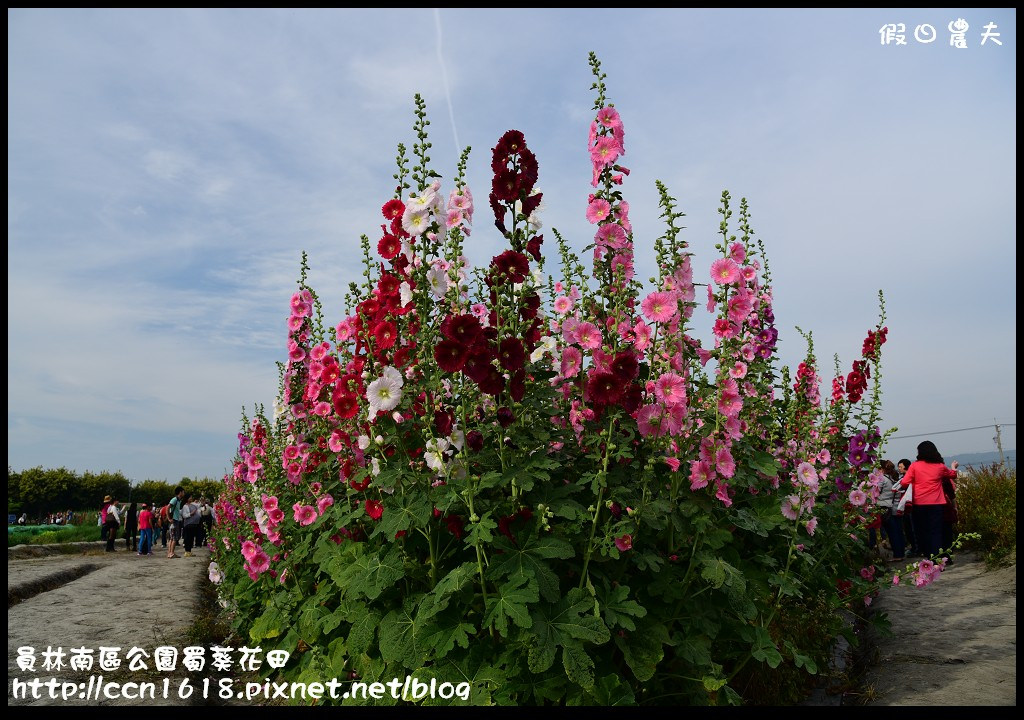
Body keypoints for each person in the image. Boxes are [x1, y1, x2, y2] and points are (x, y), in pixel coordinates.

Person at [900, 441, 958, 561]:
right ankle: (936, 560)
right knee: (936, 532)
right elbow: (952, 475)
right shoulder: (940, 466)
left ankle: (928, 559)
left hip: (919, 504)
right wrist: (953, 467)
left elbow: (904, 482)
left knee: (922, 532)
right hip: (936, 504)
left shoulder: (914, 466)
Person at [877, 460, 907, 562]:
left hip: (885, 507)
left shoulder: (883, 479)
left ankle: (897, 555)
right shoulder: (895, 478)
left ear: (882, 469)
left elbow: (876, 492)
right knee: (899, 531)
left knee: (892, 533)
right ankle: (901, 553)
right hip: (896, 507)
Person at [896, 458, 917, 556]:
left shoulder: (908, 478)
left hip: (910, 506)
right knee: (909, 528)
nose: (899, 469)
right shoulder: (904, 477)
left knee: (911, 528)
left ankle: (915, 548)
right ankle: (914, 547)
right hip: (907, 506)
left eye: (901, 466)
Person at [166, 486, 185, 559]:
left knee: (172, 538)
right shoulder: (175, 500)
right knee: (174, 538)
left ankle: (170, 553)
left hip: (175, 520)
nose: (183, 493)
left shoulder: (178, 500)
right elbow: (168, 508)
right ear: (180, 492)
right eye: (183, 492)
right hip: (174, 520)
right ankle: (171, 553)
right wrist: (169, 518)